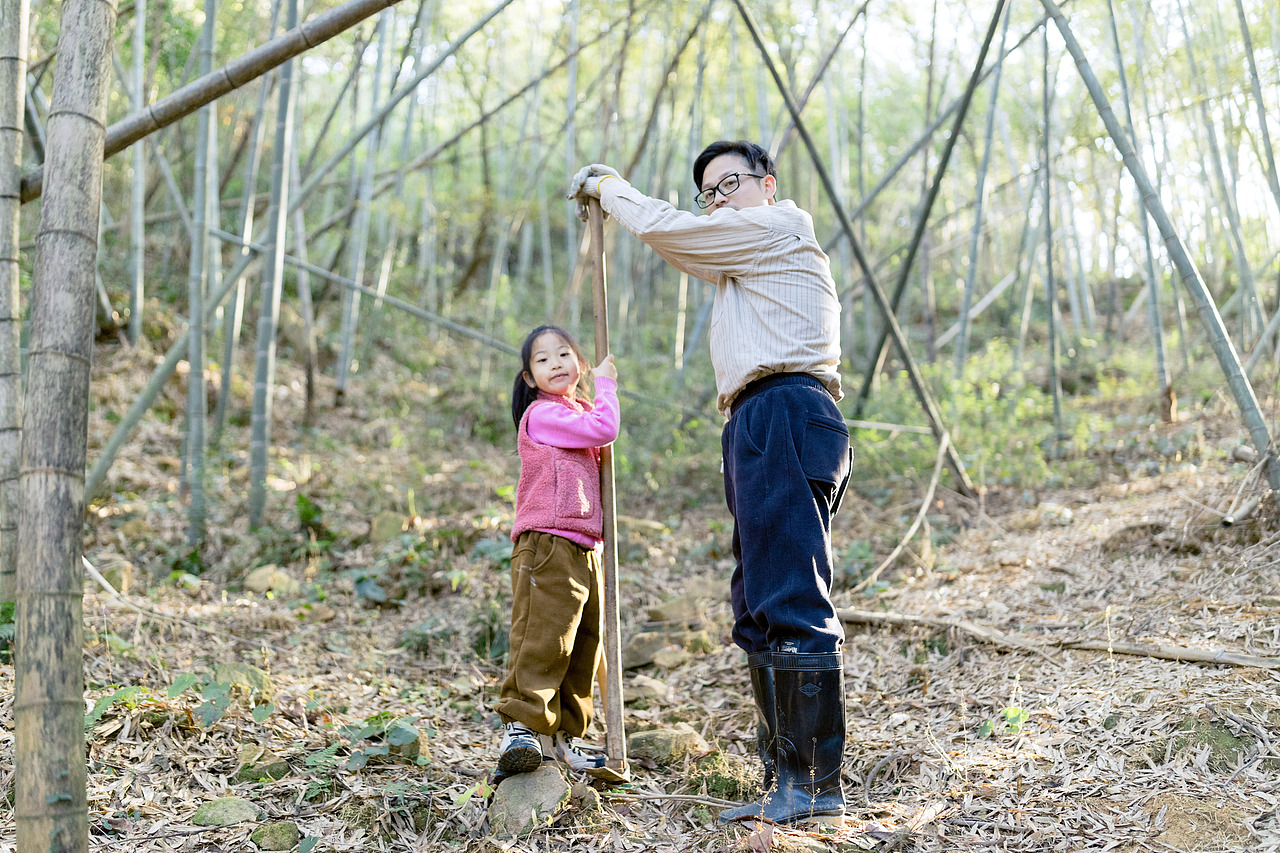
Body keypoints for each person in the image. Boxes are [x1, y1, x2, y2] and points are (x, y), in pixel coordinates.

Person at [569, 141, 851, 826]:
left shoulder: (781, 224)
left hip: (788, 405)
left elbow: (675, 232)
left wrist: (613, 191)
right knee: (755, 601)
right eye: (709, 191)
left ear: (767, 184)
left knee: (788, 592)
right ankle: (785, 776)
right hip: (757, 419)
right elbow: (687, 243)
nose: (719, 198)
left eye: (729, 183)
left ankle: (813, 785)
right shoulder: (738, 261)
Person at [493, 324, 620, 785]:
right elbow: (605, 427)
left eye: (564, 354)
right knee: (544, 636)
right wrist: (607, 384)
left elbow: (598, 435)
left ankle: (566, 735)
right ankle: (522, 727)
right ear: (529, 377)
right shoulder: (544, 415)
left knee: (583, 644)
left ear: (579, 363)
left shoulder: (577, 412)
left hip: (585, 546)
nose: (556, 365)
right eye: (543, 360)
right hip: (546, 544)